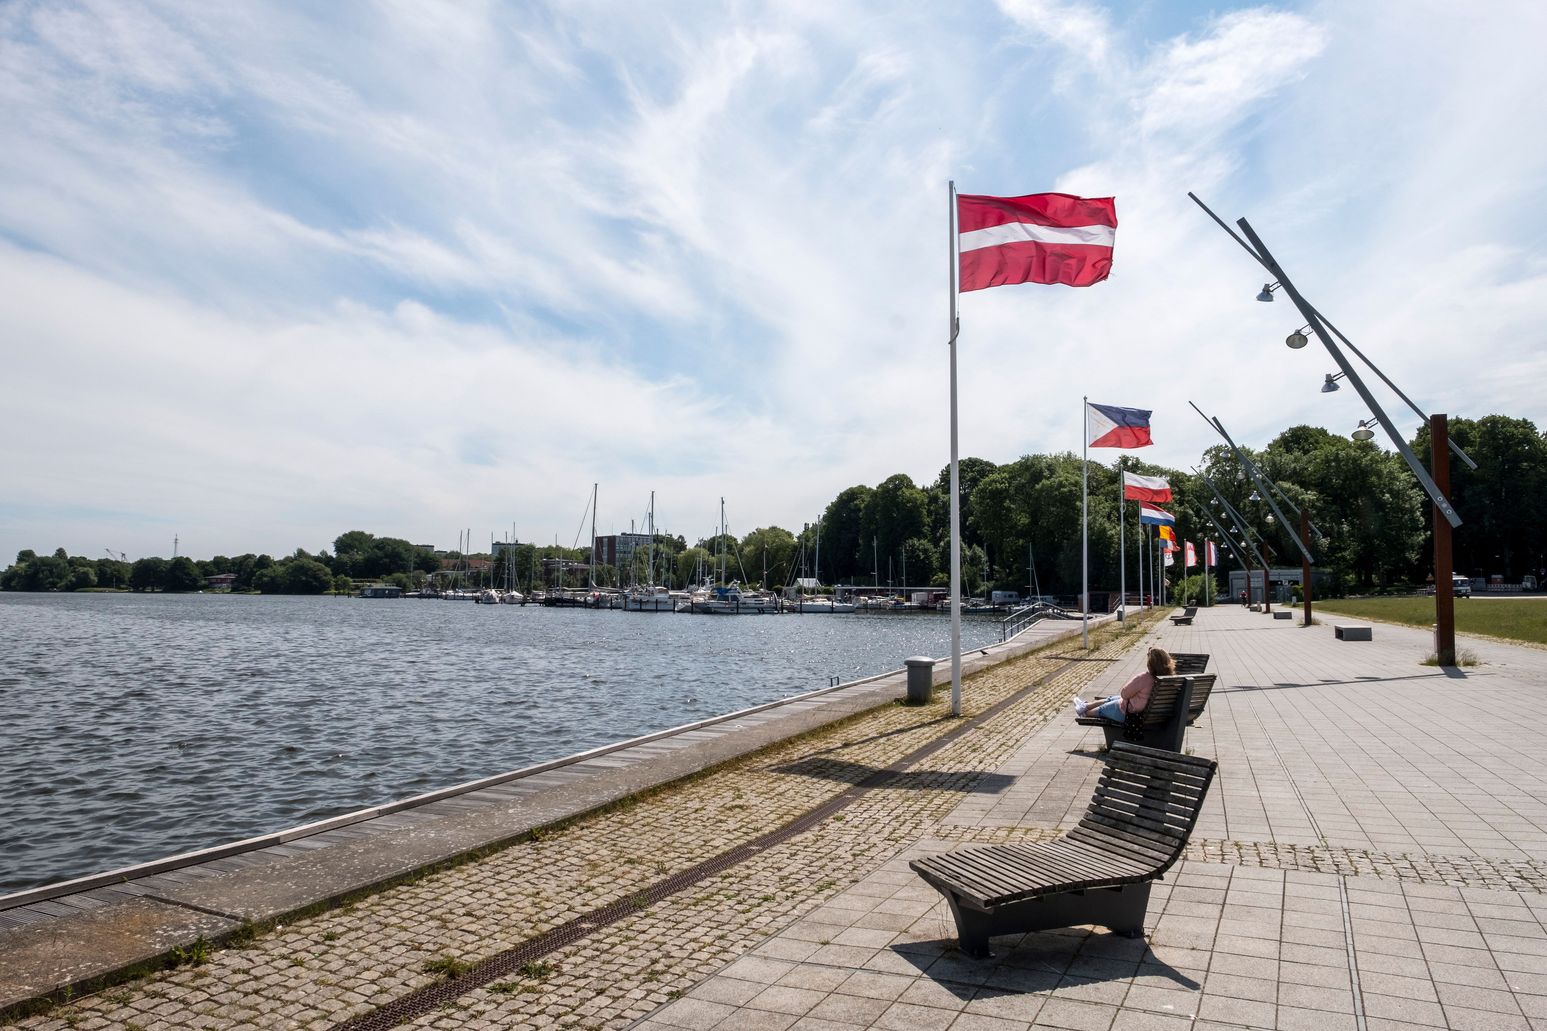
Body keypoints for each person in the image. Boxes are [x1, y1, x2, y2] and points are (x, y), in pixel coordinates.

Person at [1073, 647, 1176, 723]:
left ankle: (1084, 713)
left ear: (1150, 664)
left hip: (1130, 714)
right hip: (1150, 713)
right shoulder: (1169, 680)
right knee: (1111, 699)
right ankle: (1085, 706)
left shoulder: (1144, 678)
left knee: (1103, 709)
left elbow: (1124, 694)